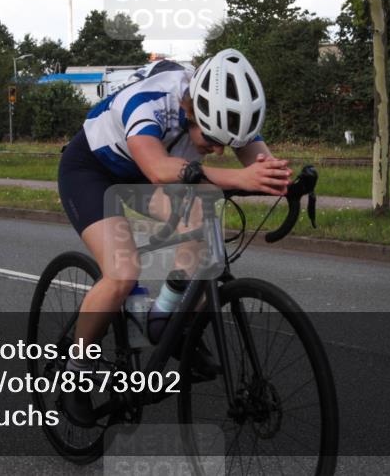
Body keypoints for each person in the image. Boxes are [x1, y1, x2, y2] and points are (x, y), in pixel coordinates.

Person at [56, 49, 291, 425]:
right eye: (212, 139)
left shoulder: (220, 107)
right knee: (122, 273)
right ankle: (75, 374)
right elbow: (158, 168)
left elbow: (262, 164)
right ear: (190, 109)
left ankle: (163, 318)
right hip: (94, 172)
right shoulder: (149, 103)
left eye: (225, 143)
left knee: (202, 221)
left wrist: (287, 183)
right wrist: (240, 179)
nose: (218, 149)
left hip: (153, 172)